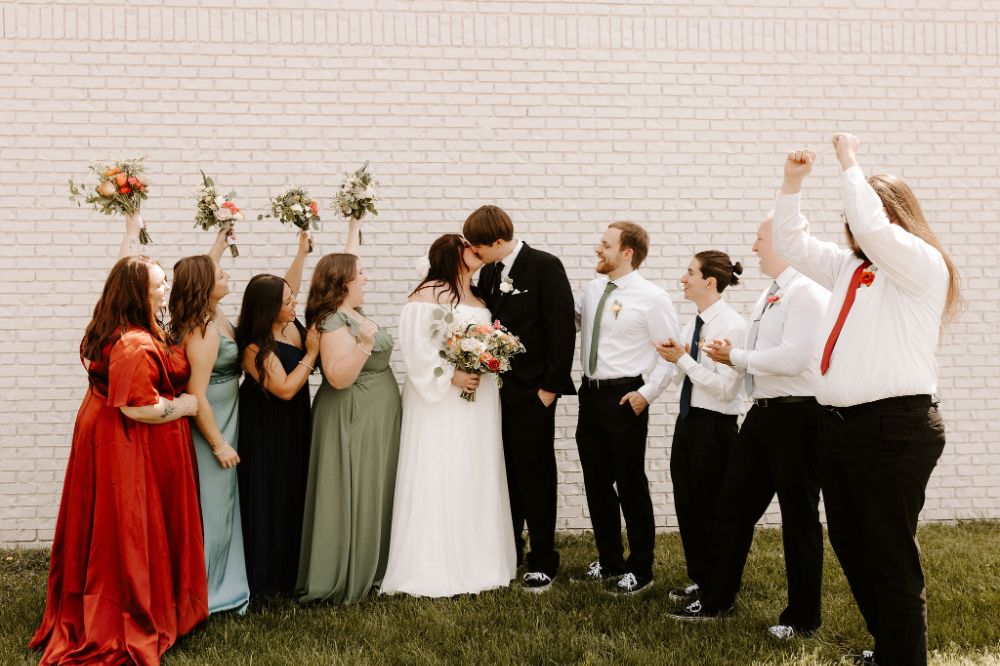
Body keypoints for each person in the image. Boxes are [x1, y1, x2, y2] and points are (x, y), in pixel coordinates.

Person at [773, 135, 960, 666]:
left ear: (888, 212)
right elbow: (793, 242)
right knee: (853, 548)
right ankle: (891, 647)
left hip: (892, 429)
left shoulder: (919, 263)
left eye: (862, 214)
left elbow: (875, 228)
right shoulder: (851, 268)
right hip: (841, 429)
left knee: (889, 555)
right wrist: (792, 184)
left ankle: (904, 658)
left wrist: (849, 162)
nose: (853, 225)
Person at [31, 214, 208, 665]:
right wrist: (185, 407)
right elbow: (137, 407)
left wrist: (132, 226)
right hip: (122, 440)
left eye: (165, 281)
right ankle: (123, 610)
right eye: (159, 285)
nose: (165, 289)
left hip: (109, 432)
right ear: (138, 294)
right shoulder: (132, 343)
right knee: (124, 527)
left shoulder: (128, 322)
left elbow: (127, 267)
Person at [668, 214, 829, 639]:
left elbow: (794, 358)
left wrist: (734, 357)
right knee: (730, 510)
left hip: (797, 416)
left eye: (760, 239)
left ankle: (802, 618)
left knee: (799, 521)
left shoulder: (808, 293)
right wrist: (731, 351)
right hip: (762, 415)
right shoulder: (769, 295)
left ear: (784, 242)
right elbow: (761, 351)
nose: (754, 248)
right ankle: (717, 599)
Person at [380, 234, 517, 597]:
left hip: (480, 397)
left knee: (475, 468)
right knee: (442, 467)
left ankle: (481, 559)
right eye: (468, 248)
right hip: (440, 399)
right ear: (452, 254)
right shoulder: (425, 295)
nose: (477, 252)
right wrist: (453, 374)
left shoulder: (479, 295)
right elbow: (417, 352)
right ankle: (432, 564)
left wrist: (487, 361)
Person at [464, 205, 576, 593]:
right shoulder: (490, 272)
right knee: (504, 473)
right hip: (497, 393)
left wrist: (549, 389)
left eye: (480, 248)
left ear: (498, 242)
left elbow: (562, 329)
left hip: (534, 393)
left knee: (535, 474)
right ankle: (508, 550)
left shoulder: (545, 266)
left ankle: (543, 560)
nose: (476, 255)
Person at [297, 218, 402, 604]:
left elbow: (349, 257)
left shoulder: (352, 311)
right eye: (361, 275)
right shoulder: (332, 322)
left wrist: (355, 224)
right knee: (356, 488)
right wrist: (363, 346)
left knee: (374, 486)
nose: (367, 277)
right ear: (344, 283)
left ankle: (378, 562)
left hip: (377, 415)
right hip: (352, 415)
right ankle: (348, 568)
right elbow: (338, 378)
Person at [575, 222, 679, 594]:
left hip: (625, 399)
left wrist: (646, 394)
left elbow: (671, 353)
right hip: (590, 395)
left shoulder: (653, 298)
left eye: (605, 244)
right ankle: (609, 560)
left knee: (630, 483)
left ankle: (641, 567)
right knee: (596, 482)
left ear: (627, 252)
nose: (597, 249)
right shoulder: (592, 289)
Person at [655, 250, 746, 604]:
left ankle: (719, 588)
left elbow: (725, 389)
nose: (683, 278)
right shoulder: (691, 324)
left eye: (689, 272)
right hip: (688, 423)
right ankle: (701, 577)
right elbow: (682, 370)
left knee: (712, 510)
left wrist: (684, 360)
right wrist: (671, 358)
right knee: (688, 506)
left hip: (715, 428)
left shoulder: (731, 326)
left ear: (710, 281)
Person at [236, 230, 320, 599]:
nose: (294, 302)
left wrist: (300, 254)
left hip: (295, 423)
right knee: (271, 493)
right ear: (269, 308)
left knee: (294, 489)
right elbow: (284, 388)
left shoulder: (288, 324)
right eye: (287, 301)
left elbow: (289, 284)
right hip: (268, 426)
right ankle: (268, 580)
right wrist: (312, 355)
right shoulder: (255, 344)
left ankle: (292, 569)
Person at [170, 230, 249, 615]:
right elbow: (196, 393)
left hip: (226, 414)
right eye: (219, 274)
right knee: (214, 505)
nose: (226, 277)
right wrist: (218, 443)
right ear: (204, 287)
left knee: (221, 503)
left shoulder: (210, 314)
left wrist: (219, 238)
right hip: (211, 421)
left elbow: (202, 270)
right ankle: (210, 592)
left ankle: (219, 580)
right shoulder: (202, 328)